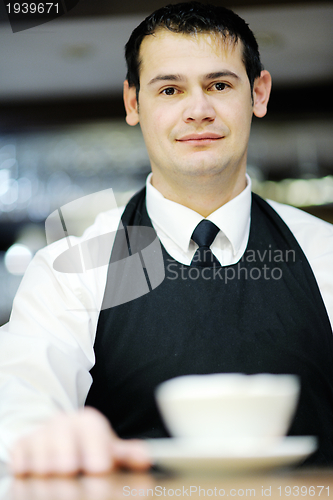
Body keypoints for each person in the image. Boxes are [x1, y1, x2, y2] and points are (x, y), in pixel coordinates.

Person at [1, 1, 333, 476]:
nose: (197, 110)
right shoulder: (71, 270)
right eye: (170, 89)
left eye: (219, 85)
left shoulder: (327, 255)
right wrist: (41, 435)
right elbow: (20, 395)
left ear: (258, 95)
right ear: (134, 103)